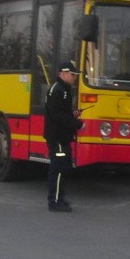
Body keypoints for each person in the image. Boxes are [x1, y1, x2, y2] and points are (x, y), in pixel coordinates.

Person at [44, 60, 83, 212]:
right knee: (58, 168)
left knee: (64, 168)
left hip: (63, 137)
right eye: (72, 74)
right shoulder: (58, 90)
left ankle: (60, 198)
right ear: (63, 73)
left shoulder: (64, 89)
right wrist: (77, 123)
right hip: (57, 137)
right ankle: (54, 201)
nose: (74, 77)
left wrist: (73, 114)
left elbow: (61, 113)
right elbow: (57, 116)